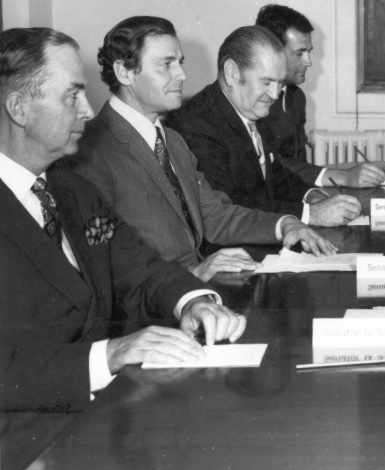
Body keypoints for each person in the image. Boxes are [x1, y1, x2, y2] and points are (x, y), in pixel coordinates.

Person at [0, 28, 246, 412]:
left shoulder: (69, 187)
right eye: (72, 95)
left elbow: (140, 268)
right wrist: (109, 355)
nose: (87, 110)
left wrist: (194, 302)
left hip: (102, 412)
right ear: (19, 109)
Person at [71, 17, 338, 282]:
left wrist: (285, 224)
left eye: (180, 62)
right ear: (124, 72)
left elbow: (214, 214)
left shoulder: (172, 141)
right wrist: (192, 274)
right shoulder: (90, 151)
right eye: (167, 64)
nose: (182, 75)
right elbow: (103, 261)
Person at [167, 26, 361, 224]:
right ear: (232, 73)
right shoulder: (198, 126)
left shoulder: (248, 106)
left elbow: (273, 174)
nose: (275, 94)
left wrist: (310, 195)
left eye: (279, 83)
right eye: (266, 82)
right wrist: (311, 214)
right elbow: (228, 211)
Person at [254, 4, 385, 188]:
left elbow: (299, 164)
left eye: (308, 52)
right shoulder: (255, 101)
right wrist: (343, 176)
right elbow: (271, 166)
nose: (308, 62)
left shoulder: (295, 97)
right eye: (299, 53)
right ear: (271, 52)